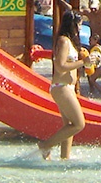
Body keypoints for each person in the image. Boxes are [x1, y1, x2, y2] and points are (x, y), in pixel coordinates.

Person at [38, 9, 95, 159]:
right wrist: (83, 62)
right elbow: (60, 66)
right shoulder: (63, 41)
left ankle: (65, 158)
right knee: (79, 124)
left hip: (66, 87)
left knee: (69, 126)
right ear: (73, 24)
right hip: (61, 87)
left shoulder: (69, 41)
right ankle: (45, 145)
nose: (81, 27)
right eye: (80, 24)